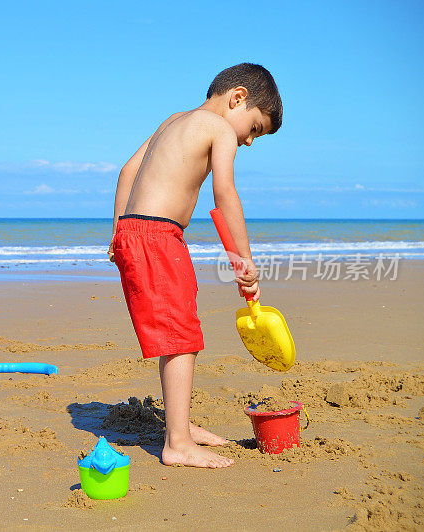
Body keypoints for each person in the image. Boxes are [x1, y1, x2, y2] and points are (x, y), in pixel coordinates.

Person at [108, 63, 283, 468]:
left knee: (177, 331)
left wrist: (118, 233)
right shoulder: (218, 128)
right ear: (237, 98)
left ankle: (180, 426)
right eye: (255, 128)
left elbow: (126, 171)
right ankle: (178, 444)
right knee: (181, 337)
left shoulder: (174, 119)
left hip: (133, 232)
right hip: (158, 236)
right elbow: (225, 196)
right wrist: (245, 264)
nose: (250, 141)